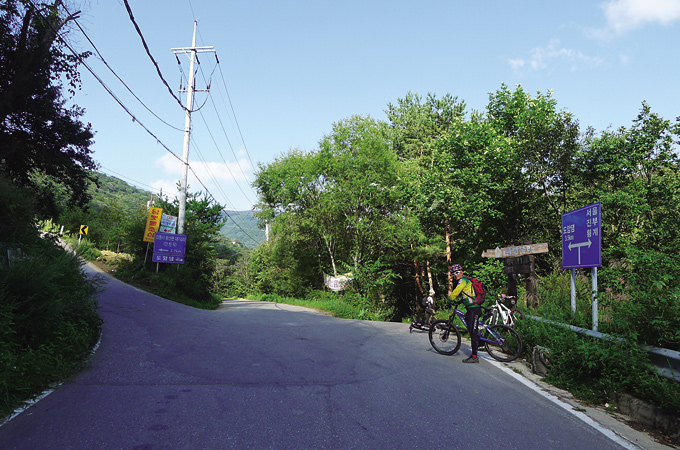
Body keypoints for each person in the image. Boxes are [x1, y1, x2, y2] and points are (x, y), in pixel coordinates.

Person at [449, 264, 481, 363]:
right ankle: (480, 340)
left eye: (457, 272)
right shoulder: (465, 281)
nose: (455, 274)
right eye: (453, 273)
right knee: (470, 325)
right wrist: (459, 302)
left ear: (462, 272)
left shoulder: (463, 281)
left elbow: (455, 293)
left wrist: (449, 301)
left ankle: (474, 356)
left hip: (474, 309)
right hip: (471, 309)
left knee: (473, 332)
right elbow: (466, 295)